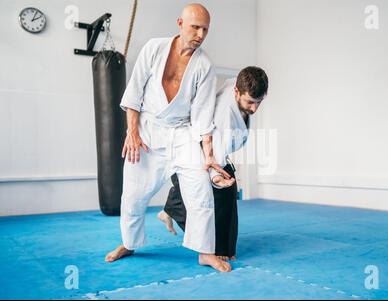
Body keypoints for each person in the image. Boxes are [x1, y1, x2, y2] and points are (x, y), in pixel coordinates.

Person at [105, 3, 232, 273]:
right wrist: (132, 132)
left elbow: (202, 117)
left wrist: (208, 157)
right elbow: (134, 93)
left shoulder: (205, 66)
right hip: (149, 131)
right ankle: (129, 243)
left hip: (183, 133)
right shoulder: (154, 48)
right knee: (133, 194)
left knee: (201, 192)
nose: (200, 34)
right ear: (180, 24)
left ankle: (205, 251)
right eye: (195, 27)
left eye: (205, 29)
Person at [158, 66, 269, 261]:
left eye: (259, 102)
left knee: (226, 192)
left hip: (209, 143)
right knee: (217, 193)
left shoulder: (235, 84)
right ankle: (214, 247)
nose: (254, 108)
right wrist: (217, 177)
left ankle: (173, 207)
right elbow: (213, 157)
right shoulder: (223, 115)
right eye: (250, 102)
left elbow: (232, 81)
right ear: (237, 91)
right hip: (196, 148)